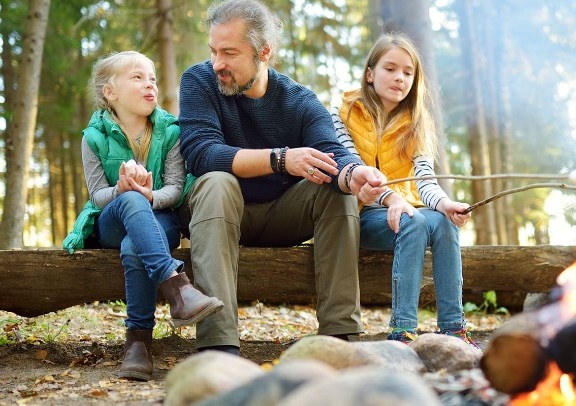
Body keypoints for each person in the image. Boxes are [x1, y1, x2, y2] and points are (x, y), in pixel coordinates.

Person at [178, 0, 388, 356]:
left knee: (337, 190)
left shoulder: (299, 99)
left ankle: (340, 338)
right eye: (213, 51)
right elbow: (201, 153)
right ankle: (218, 345)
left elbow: (333, 154)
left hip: (281, 214)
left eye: (229, 53)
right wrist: (281, 159)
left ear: (264, 52)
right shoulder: (199, 80)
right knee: (217, 180)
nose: (218, 64)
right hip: (217, 211)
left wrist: (356, 173)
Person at [63, 51, 224, 380]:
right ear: (111, 92)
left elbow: (176, 189)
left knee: (135, 247)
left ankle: (138, 345)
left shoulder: (171, 132)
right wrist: (124, 191)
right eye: (137, 77)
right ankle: (178, 287)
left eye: (152, 77)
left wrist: (150, 195)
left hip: (159, 218)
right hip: (112, 221)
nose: (149, 83)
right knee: (131, 200)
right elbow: (97, 195)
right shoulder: (93, 138)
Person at [332, 33, 476, 347]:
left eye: (408, 72)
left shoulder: (416, 122)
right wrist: (392, 198)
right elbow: (356, 172)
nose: (399, 77)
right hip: (356, 214)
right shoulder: (343, 113)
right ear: (370, 73)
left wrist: (445, 205)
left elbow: (425, 179)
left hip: (404, 212)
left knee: (442, 221)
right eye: (390, 68)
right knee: (415, 220)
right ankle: (403, 332)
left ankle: (453, 328)